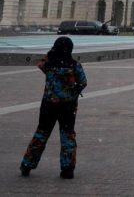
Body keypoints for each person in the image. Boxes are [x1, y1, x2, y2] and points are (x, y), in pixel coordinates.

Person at [20, 36, 87, 179]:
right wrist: (73, 91)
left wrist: (51, 53)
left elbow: (40, 64)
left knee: (41, 133)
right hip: (68, 106)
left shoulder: (49, 65)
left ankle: (27, 164)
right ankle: (67, 168)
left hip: (48, 105)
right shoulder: (74, 65)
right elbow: (83, 82)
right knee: (67, 135)